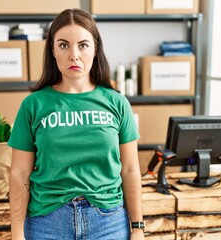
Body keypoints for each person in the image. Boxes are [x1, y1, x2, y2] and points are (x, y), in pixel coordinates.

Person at [8, 8, 145, 240]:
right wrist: (17, 233)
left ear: (95, 49)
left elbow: (130, 169)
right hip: (47, 223)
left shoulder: (117, 103)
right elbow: (20, 173)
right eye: (64, 45)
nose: (74, 55)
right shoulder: (33, 105)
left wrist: (138, 228)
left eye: (83, 45)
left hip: (108, 222)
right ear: (52, 50)